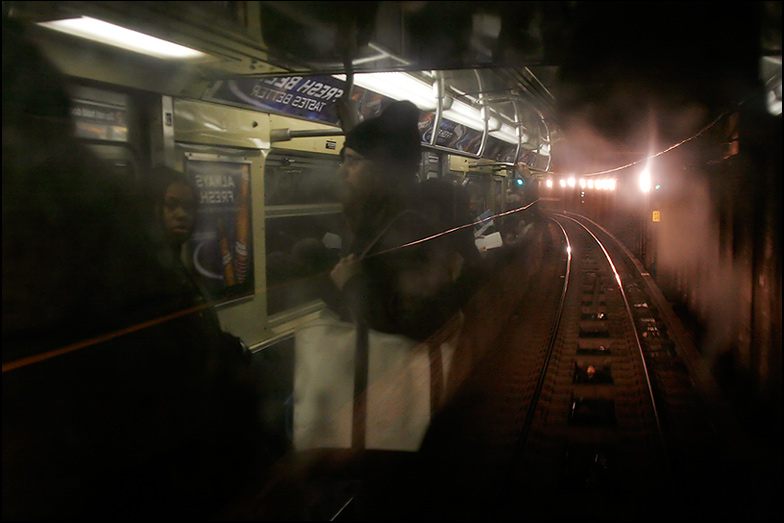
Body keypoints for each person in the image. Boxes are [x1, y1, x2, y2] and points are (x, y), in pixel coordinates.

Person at [2, 16, 268, 520]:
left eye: (186, 206)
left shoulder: (112, 278)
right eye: (168, 206)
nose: (180, 216)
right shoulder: (139, 268)